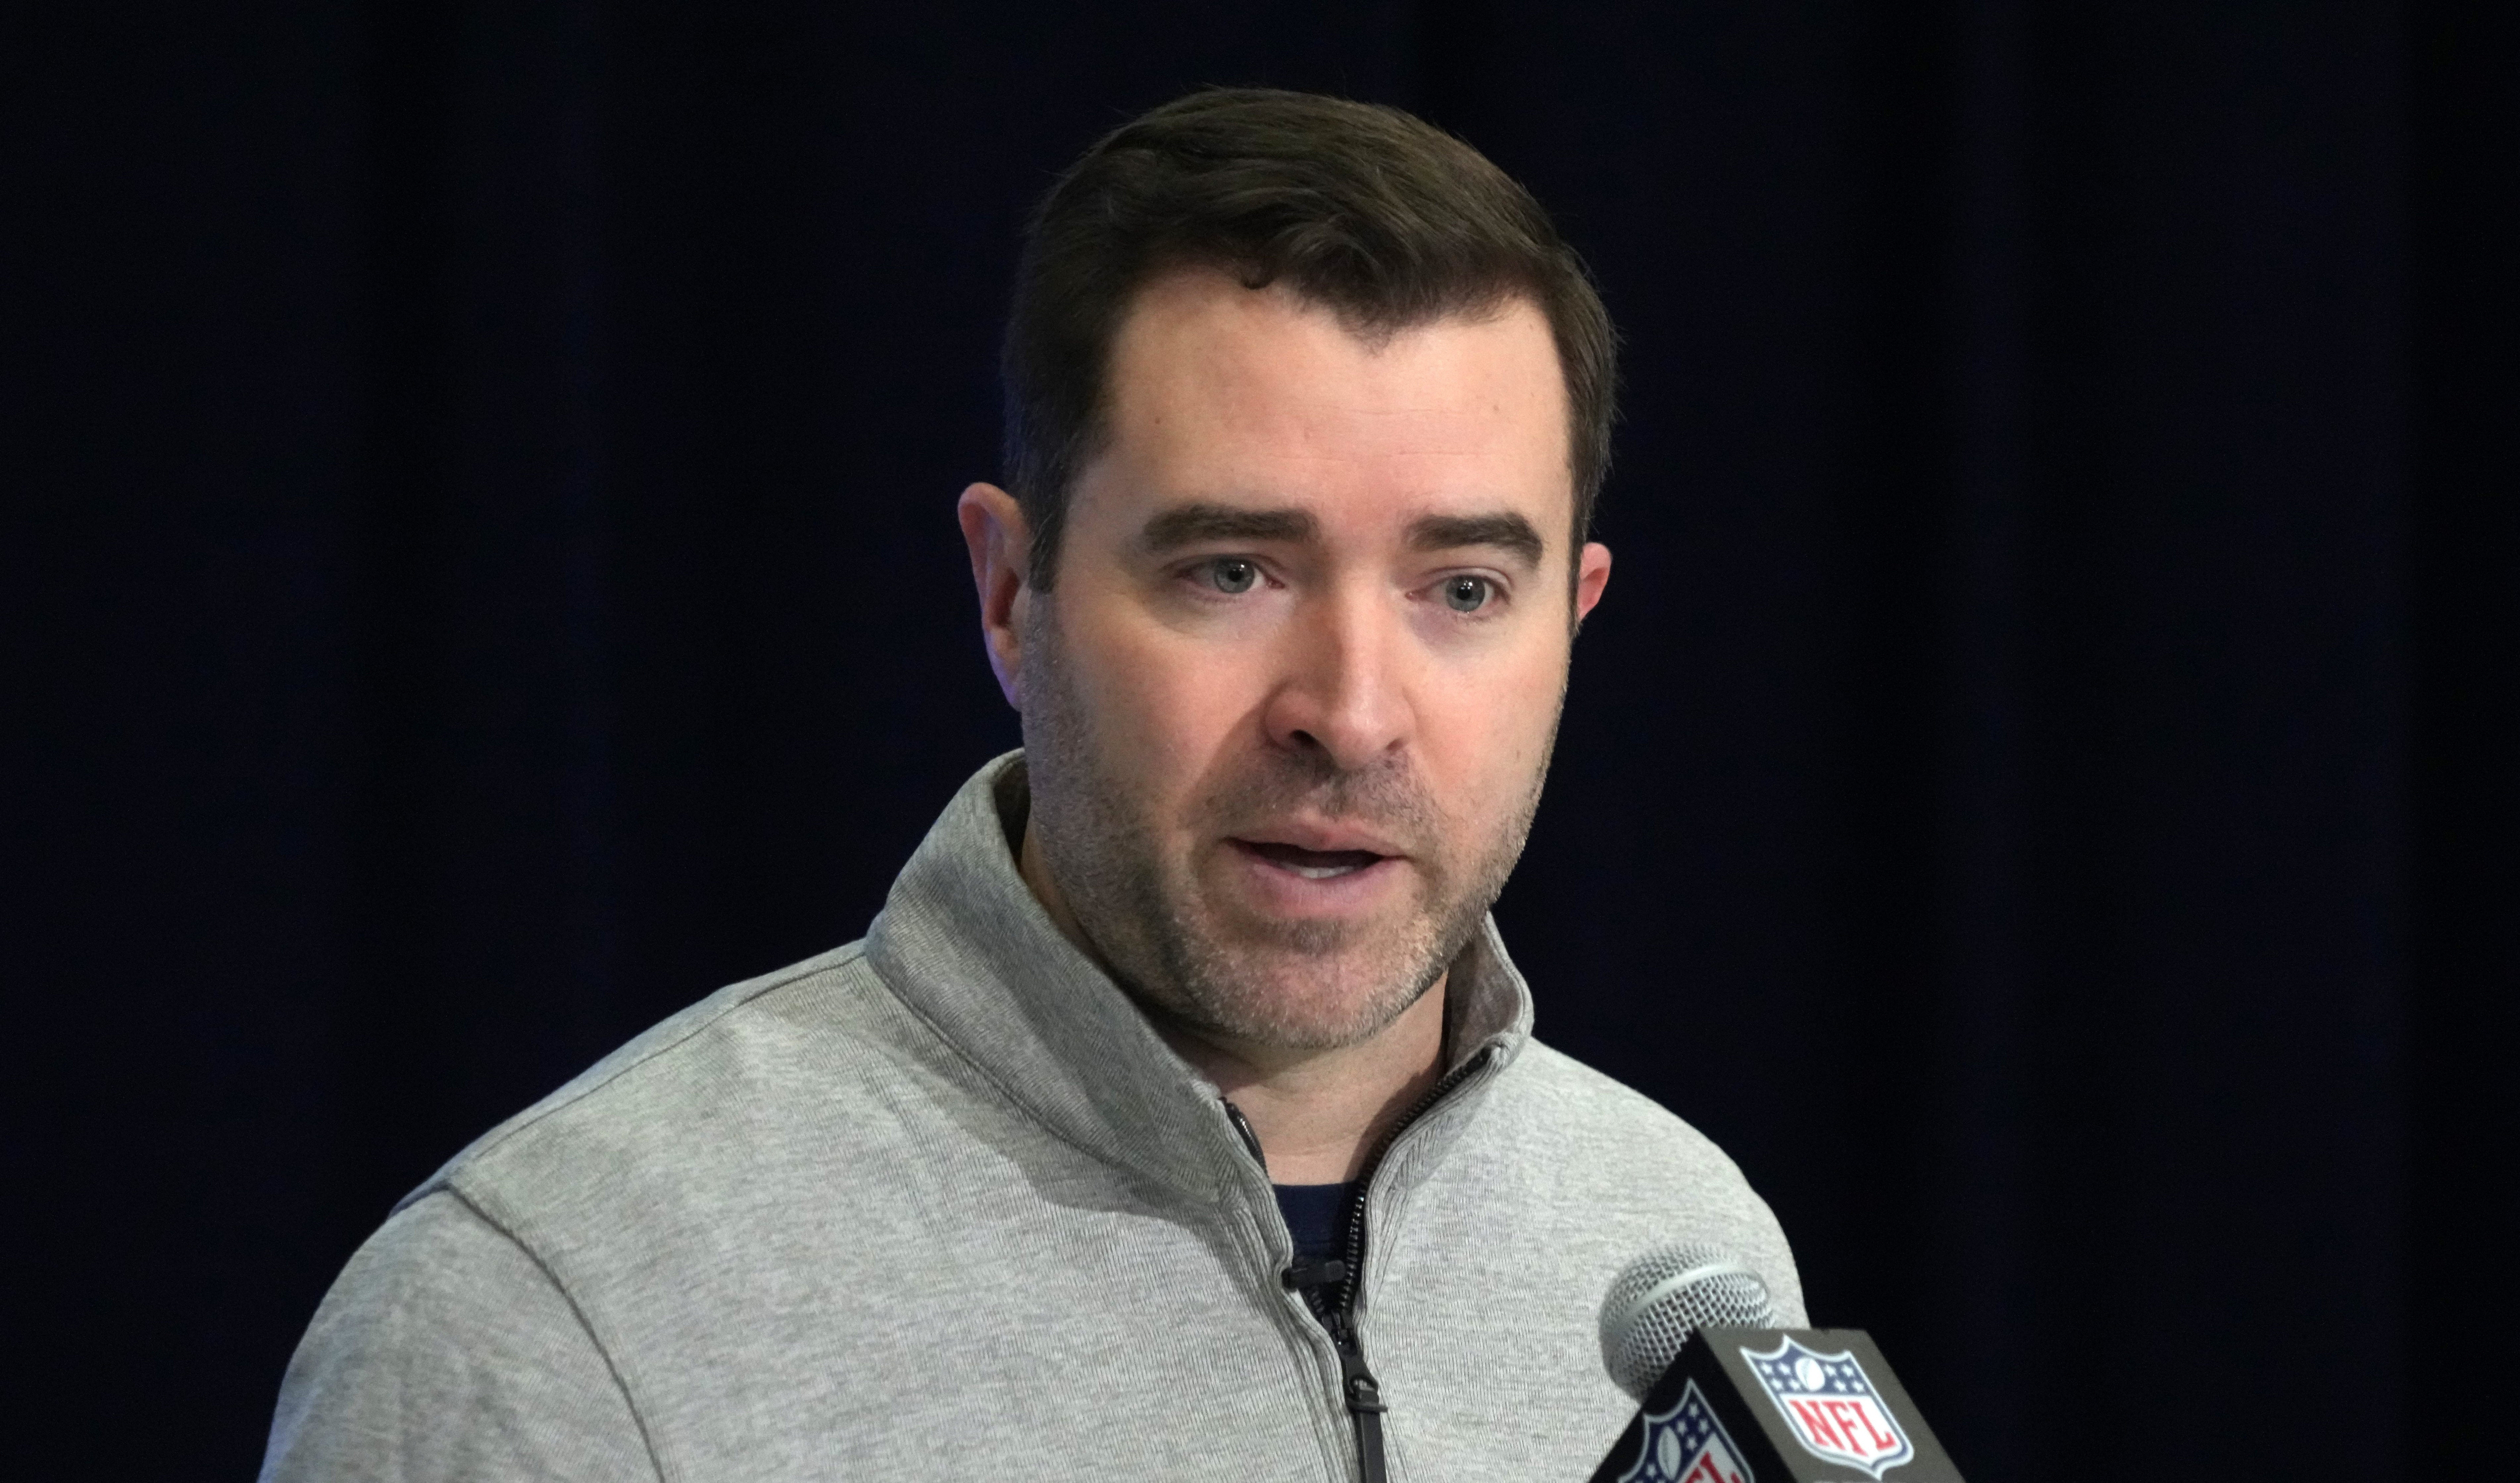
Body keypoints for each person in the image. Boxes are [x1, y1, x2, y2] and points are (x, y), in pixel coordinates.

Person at [260, 87, 1803, 1483]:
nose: (1347, 713)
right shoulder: (549, 1315)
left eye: (1461, 590)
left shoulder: (1686, 1259)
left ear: (1574, 621)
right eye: (1230, 570)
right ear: (1011, 594)